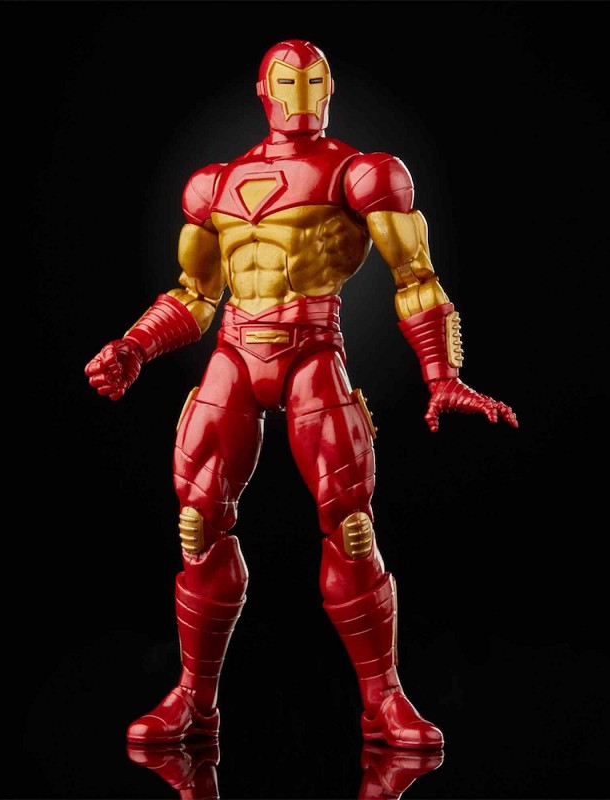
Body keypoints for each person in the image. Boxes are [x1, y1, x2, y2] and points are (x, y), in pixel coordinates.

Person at [85, 39, 517, 751]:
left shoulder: (363, 173)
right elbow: (195, 296)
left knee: (350, 526)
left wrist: (442, 375)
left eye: (315, 80)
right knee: (196, 524)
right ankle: (193, 702)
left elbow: (416, 277)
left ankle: (384, 705)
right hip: (234, 352)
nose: (301, 94)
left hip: (313, 348)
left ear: (331, 89)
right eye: (288, 81)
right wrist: (134, 345)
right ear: (263, 90)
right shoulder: (213, 185)